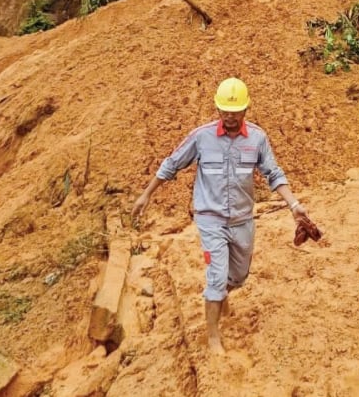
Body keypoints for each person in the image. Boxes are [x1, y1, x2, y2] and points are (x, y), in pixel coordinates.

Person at [131, 77, 310, 354]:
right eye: (224, 111)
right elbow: (172, 164)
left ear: (245, 109)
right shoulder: (201, 137)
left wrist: (294, 205)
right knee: (216, 277)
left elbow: (274, 174)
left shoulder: (257, 139)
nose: (229, 116)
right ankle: (213, 336)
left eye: (235, 111)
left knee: (238, 276)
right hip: (210, 219)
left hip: (242, 219)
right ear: (217, 109)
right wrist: (146, 195)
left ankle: (222, 293)